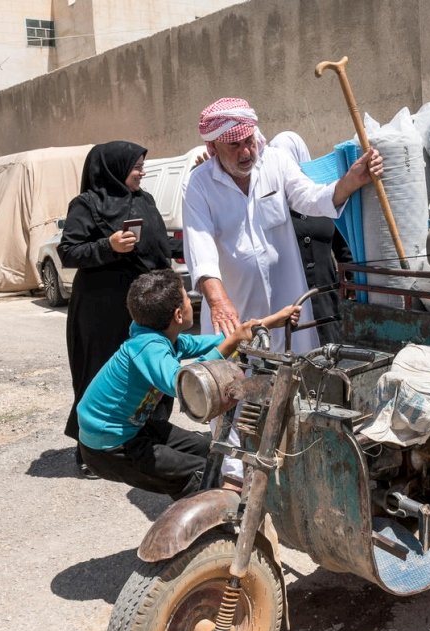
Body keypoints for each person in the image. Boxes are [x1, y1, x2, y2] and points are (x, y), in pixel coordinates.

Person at [183, 97, 383, 483]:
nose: (246, 152)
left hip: (288, 308)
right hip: (235, 313)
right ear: (213, 148)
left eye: (249, 142)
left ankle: (296, 470)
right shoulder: (199, 184)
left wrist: (349, 182)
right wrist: (218, 300)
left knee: (299, 386)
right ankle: (236, 481)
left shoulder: (273, 162)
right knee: (234, 392)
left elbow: (311, 197)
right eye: (234, 146)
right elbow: (199, 245)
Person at [77, 269, 300, 498]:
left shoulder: (161, 338)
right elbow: (187, 384)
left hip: (134, 428)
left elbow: (220, 341)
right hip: (109, 446)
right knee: (200, 473)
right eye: (187, 297)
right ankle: (209, 528)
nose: (191, 299)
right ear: (178, 315)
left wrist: (270, 322)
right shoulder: (147, 348)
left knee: (209, 451)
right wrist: (232, 342)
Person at [58, 141, 180, 478]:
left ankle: (145, 439)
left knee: (150, 374)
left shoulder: (145, 200)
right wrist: (108, 246)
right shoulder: (86, 204)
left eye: (142, 165)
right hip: (102, 309)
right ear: (113, 168)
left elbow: (158, 243)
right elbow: (69, 251)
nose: (142, 171)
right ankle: (90, 450)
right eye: (136, 166)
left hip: (144, 305)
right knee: (100, 375)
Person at [269, 131, 353, 344]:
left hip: (328, 298)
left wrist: (352, 284)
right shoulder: (271, 206)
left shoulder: (322, 199)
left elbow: (343, 251)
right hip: (291, 303)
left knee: (332, 353)